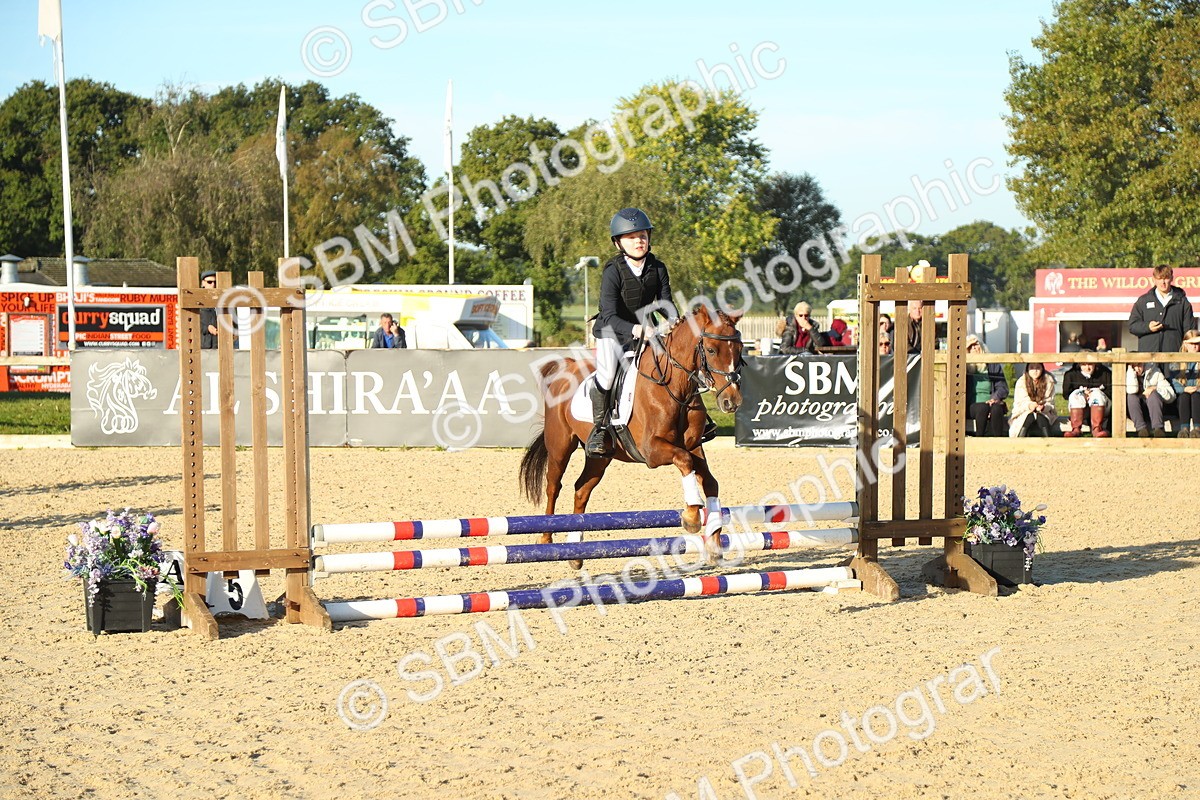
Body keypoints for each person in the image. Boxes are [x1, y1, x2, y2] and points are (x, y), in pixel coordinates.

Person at [587, 207, 677, 456]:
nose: (639, 240)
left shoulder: (657, 268)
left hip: (645, 332)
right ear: (618, 243)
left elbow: (666, 303)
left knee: (673, 364)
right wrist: (637, 329)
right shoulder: (612, 270)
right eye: (631, 237)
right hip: (611, 332)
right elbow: (608, 315)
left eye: (643, 235)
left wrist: (674, 322)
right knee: (606, 376)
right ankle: (600, 428)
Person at [1128, 264, 1196, 352]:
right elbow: (1132, 326)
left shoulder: (1183, 302)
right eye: (1159, 279)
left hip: (1174, 357)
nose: (1163, 282)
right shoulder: (1143, 301)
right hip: (1149, 357)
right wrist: (1147, 327)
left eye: (1166, 278)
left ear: (1172, 278)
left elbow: (1190, 332)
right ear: (1154, 280)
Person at [965, 334, 1008, 436]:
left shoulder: (992, 364)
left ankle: (998, 440)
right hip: (972, 404)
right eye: (970, 347)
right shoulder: (964, 367)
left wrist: (995, 398)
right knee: (983, 408)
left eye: (976, 345)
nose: (974, 348)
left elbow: (1002, 387)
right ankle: (980, 439)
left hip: (991, 401)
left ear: (982, 346)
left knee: (996, 408)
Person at [1061, 361, 1112, 437]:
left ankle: (1097, 429)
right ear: (1079, 364)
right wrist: (1083, 394)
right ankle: (1076, 429)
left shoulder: (1105, 373)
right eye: (1084, 365)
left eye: (1090, 364)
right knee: (1076, 394)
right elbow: (1066, 394)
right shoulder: (1071, 374)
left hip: (1102, 408)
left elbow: (1112, 392)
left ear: (1095, 364)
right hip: (1081, 409)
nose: (1087, 368)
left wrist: (1093, 392)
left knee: (1096, 394)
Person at [1009, 362, 1058, 437]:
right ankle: (1020, 441)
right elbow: (1019, 403)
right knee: (1028, 417)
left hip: (1044, 412)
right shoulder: (1021, 382)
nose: (1035, 370)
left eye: (1038, 368)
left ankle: (1048, 442)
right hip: (1024, 411)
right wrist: (1029, 405)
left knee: (1041, 418)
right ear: (1027, 369)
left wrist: (1043, 407)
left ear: (1042, 369)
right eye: (1032, 368)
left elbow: (1050, 402)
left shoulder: (1048, 382)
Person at [1126, 361, 1171, 438]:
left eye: (1139, 365)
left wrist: (1155, 389)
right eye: (1133, 366)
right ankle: (1141, 429)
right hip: (1136, 412)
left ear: (1143, 363)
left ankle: (1158, 429)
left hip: (1155, 409)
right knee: (1131, 397)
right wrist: (1131, 372)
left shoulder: (1155, 372)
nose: (1137, 369)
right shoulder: (1126, 374)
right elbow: (1131, 390)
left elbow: (1170, 396)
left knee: (1153, 395)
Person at [1170, 329, 1200, 438]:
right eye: (1192, 344)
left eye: (1197, 343)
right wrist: (1183, 389)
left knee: (1196, 397)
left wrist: (1197, 388)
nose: (1194, 347)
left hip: (1198, 393)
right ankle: (1184, 429)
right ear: (1185, 344)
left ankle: (1197, 429)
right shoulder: (1177, 360)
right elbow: (1173, 380)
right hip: (1183, 394)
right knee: (1184, 397)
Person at [199, 270, 219, 349]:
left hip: (220, 346)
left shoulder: (222, 301)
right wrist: (207, 328)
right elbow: (190, 322)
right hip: (203, 347)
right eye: (209, 282)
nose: (213, 285)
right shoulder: (197, 301)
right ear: (203, 283)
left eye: (215, 282)